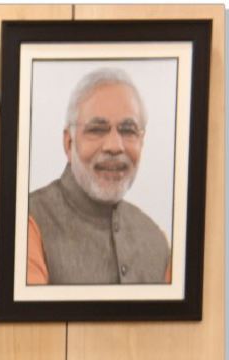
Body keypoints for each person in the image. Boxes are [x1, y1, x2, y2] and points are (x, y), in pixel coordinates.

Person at [26, 67, 170, 285]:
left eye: (128, 130)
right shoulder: (28, 221)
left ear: (142, 142)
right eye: (97, 129)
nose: (114, 146)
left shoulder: (156, 241)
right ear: (69, 143)